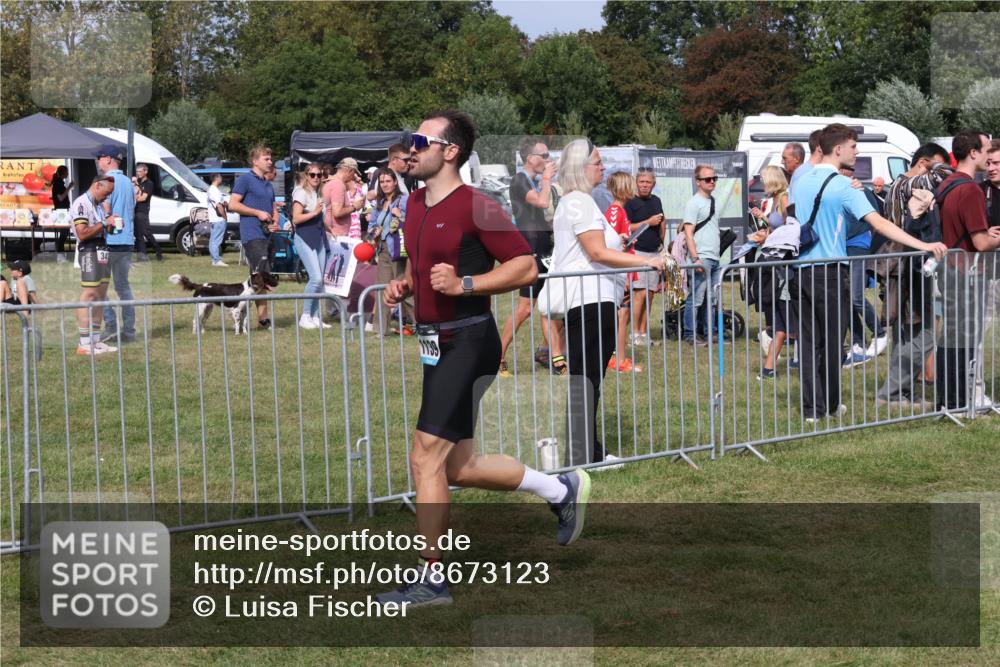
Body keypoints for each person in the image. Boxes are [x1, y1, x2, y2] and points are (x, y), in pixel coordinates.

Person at [377, 110, 587, 609]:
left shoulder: (478, 205)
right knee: (456, 466)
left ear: (449, 151)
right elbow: (425, 266)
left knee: (424, 455)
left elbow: (525, 265)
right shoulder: (413, 206)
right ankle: (559, 490)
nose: (411, 147)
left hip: (471, 342)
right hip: (435, 343)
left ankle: (432, 580)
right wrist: (404, 284)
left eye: (420, 140)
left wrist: (467, 284)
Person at [790, 123, 946, 423]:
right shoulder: (842, 185)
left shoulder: (804, 181)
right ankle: (830, 406)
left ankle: (813, 409)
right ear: (838, 149)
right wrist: (922, 243)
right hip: (830, 272)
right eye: (853, 147)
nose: (856, 152)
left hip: (802, 270)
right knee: (834, 342)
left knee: (810, 343)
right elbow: (881, 224)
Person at [551, 139, 666, 468]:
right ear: (580, 167)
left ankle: (587, 450)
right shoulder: (580, 203)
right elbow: (597, 252)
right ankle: (584, 454)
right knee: (586, 381)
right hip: (589, 299)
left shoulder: (578, 202)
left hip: (591, 298)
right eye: (597, 162)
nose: (603, 167)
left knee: (587, 381)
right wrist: (649, 263)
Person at [876, 143, 951, 408]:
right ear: (923, 163)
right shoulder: (909, 183)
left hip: (903, 265)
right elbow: (946, 175)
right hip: (908, 266)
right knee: (923, 333)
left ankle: (901, 392)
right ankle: (892, 393)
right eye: (934, 165)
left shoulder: (896, 185)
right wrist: (942, 167)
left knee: (907, 333)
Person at [935, 129, 1000, 411]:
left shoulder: (947, 183)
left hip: (950, 269)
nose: (988, 157)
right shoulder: (971, 188)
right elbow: (981, 242)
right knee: (965, 342)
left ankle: (949, 402)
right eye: (986, 151)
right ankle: (961, 402)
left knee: (953, 340)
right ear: (973, 153)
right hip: (967, 272)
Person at [498, 138, 565, 377]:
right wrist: (547, 178)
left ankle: (553, 355)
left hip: (546, 249)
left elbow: (542, 213)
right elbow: (541, 202)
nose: (549, 161)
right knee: (526, 308)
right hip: (530, 250)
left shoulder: (535, 181)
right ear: (531, 158)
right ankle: (498, 356)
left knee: (554, 306)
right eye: (544, 156)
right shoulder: (519, 180)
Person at [749, 166, 797, 378]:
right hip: (778, 265)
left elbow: (793, 228)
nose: (763, 186)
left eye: (765, 182)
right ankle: (768, 369)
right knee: (781, 322)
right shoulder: (777, 200)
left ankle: (779, 366)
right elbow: (779, 227)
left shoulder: (785, 199)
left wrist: (768, 237)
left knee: (786, 321)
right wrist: (765, 222)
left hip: (786, 265)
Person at [838, 164, 885, 367]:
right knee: (846, 297)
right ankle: (858, 342)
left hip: (858, 247)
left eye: (843, 170)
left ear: (851, 171)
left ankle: (880, 332)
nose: (840, 173)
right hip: (842, 249)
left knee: (856, 296)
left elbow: (870, 220)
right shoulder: (838, 191)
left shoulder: (863, 191)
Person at [229, 146, 280, 329]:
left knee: (261, 278)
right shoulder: (245, 180)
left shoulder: (267, 184)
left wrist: (275, 221)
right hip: (252, 234)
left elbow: (273, 207)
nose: (270, 161)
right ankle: (262, 320)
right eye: (266, 159)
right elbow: (233, 204)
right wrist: (257, 212)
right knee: (261, 278)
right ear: (255, 161)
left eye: (270, 158)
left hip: (267, 235)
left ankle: (246, 316)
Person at [71, 175, 119, 356]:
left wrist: (110, 225)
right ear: (97, 185)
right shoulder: (81, 203)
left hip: (102, 249)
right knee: (89, 294)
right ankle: (83, 343)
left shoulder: (98, 205)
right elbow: (82, 233)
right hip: (89, 250)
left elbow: (102, 228)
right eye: (107, 193)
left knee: (101, 295)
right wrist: (104, 223)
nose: (107, 197)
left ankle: (95, 341)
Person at [96, 145, 137, 345]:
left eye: (99, 157)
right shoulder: (128, 182)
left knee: (98, 286)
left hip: (109, 241)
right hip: (126, 240)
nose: (97, 161)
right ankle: (129, 330)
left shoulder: (106, 181)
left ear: (109, 159)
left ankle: (111, 325)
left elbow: (105, 209)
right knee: (123, 287)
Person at [603, 171, 642, 373]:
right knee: (622, 314)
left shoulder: (620, 211)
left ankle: (618, 357)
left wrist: (625, 238)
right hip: (619, 271)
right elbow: (607, 244)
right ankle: (618, 359)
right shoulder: (615, 211)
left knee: (623, 314)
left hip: (624, 269)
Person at [680, 165, 723, 344]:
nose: (712, 181)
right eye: (707, 179)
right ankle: (690, 334)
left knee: (712, 299)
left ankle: (710, 332)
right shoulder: (694, 203)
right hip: (701, 257)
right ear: (698, 182)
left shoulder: (713, 201)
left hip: (714, 257)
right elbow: (688, 233)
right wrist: (695, 257)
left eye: (714, 178)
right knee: (696, 299)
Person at [370, 168, 414, 336]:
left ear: (395, 182)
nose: (385, 184)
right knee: (382, 289)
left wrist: (400, 215)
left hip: (399, 249)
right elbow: (372, 225)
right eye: (382, 182)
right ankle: (381, 329)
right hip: (382, 250)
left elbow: (411, 221)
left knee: (405, 289)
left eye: (388, 181)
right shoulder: (379, 203)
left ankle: (423, 323)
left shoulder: (404, 200)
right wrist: (375, 231)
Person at [624, 167, 665, 343]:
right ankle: (634, 333)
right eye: (642, 181)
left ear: (653, 184)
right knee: (639, 294)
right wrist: (648, 222)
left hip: (655, 252)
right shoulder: (630, 202)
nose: (644, 185)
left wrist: (662, 244)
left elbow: (663, 221)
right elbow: (627, 227)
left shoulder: (656, 200)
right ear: (636, 183)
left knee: (650, 294)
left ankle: (643, 332)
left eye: (648, 182)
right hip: (637, 252)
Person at [290, 166, 331, 330]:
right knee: (316, 278)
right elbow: (296, 218)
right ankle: (305, 316)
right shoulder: (301, 193)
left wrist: (328, 228)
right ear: (306, 175)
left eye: (319, 175)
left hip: (319, 237)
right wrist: (315, 212)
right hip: (304, 237)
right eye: (312, 174)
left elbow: (319, 216)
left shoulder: (318, 193)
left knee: (320, 281)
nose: (316, 177)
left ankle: (315, 316)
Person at [324, 158, 364, 238]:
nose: (354, 176)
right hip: (336, 236)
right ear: (349, 170)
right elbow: (337, 212)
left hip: (332, 233)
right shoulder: (338, 185)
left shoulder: (331, 182)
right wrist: (354, 206)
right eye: (354, 173)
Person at [133, 163, 162, 262]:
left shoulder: (149, 183)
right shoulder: (138, 182)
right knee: (138, 235)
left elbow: (143, 198)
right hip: (135, 210)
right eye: (137, 172)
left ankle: (158, 250)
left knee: (146, 233)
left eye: (140, 172)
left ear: (146, 171)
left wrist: (135, 197)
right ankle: (142, 256)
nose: (138, 174)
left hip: (143, 211)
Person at [788, 129, 823, 207]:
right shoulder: (804, 172)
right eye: (829, 146)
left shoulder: (814, 170)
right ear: (819, 148)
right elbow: (794, 207)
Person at [206, 173, 229, 267]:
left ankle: (214, 259)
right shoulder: (214, 190)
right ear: (217, 178)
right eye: (220, 177)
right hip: (218, 218)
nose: (221, 179)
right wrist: (224, 216)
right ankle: (216, 260)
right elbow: (218, 205)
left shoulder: (211, 189)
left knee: (213, 240)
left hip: (213, 218)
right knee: (216, 240)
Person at [51, 165, 72, 259]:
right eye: (67, 172)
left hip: (62, 210)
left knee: (64, 232)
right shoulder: (58, 183)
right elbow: (60, 197)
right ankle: (60, 254)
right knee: (64, 232)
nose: (68, 174)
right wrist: (69, 188)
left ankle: (60, 253)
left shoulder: (59, 183)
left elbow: (57, 197)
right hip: (61, 211)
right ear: (63, 173)